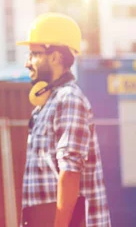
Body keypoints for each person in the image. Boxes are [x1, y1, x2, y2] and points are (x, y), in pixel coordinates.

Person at [17, 12, 111, 227]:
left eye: (33, 54)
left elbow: (69, 172)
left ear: (55, 57)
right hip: (42, 218)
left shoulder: (68, 99)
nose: (27, 63)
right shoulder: (46, 105)